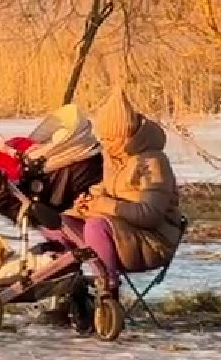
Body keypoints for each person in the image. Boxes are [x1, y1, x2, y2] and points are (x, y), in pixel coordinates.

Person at [60, 90, 184, 299]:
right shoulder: (114, 156)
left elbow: (150, 214)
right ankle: (69, 292)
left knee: (96, 226)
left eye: (111, 139)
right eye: (103, 139)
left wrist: (103, 205)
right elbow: (104, 190)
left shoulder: (153, 162)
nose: (105, 145)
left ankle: (109, 288)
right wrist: (86, 203)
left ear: (127, 135)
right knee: (61, 223)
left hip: (152, 242)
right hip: (122, 232)